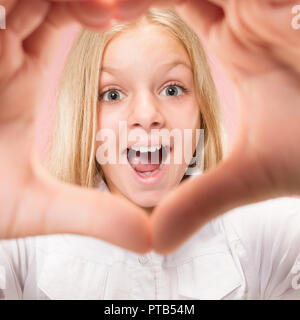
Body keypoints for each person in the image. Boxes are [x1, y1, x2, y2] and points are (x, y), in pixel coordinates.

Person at [1, 6, 300, 300]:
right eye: (113, 94)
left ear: (201, 110)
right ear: (82, 117)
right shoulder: (23, 244)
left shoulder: (265, 234)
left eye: (172, 89)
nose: (146, 115)